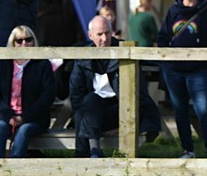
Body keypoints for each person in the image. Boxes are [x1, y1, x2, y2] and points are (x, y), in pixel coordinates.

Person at [69, 15, 162, 158]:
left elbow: (139, 94)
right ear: (90, 36)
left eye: (107, 33)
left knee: (89, 105)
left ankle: (86, 154)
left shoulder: (124, 52)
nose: (104, 39)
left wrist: (122, 126)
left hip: (122, 112)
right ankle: (95, 151)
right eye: (99, 34)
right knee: (90, 100)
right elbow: (76, 96)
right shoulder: (83, 57)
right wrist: (84, 119)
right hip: (92, 112)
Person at [157, 0, 207, 159]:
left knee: (203, 110)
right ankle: (188, 150)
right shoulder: (173, 10)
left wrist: (203, 55)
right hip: (174, 70)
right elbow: (162, 38)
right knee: (180, 111)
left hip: (199, 70)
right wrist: (168, 60)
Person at [0, 25, 55, 158]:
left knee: (24, 130)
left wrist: (24, 117)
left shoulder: (43, 64)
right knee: (0, 128)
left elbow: (47, 96)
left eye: (28, 39)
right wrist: (8, 116)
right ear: (12, 43)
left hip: (34, 118)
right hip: (7, 116)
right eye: (19, 40)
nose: (24, 43)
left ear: (33, 41)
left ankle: (15, 167)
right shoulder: (3, 64)